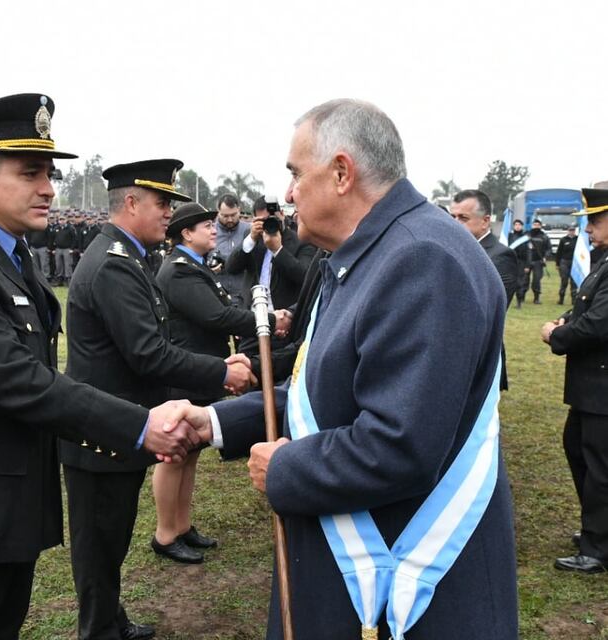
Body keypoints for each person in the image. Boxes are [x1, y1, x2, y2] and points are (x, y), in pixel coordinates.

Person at [186, 99, 518, 639]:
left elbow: (399, 445)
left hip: (408, 591)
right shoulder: (367, 253)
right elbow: (322, 394)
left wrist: (286, 470)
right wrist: (215, 422)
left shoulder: (420, 259)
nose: (289, 193)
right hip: (359, 573)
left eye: (295, 174)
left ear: (341, 173)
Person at [0, 94, 203, 640]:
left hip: (6, 503)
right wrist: (138, 425)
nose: (48, 188)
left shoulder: (9, 254)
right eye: (30, 172)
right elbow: (16, 380)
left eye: (50, 174)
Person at [62, 158, 255, 640]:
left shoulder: (128, 257)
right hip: (102, 432)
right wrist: (220, 371)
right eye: (162, 202)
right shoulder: (113, 265)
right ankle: (100, 629)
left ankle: (110, 621)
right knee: (99, 546)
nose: (170, 212)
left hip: (116, 426)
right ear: (131, 203)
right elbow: (148, 353)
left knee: (110, 542)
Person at [152, 202, 286, 564]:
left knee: (190, 451)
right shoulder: (179, 271)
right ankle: (165, 533)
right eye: (205, 226)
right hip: (185, 370)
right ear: (185, 234)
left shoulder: (194, 266)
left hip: (201, 367)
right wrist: (268, 321)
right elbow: (216, 316)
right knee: (173, 454)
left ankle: (182, 525)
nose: (214, 230)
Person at [540, 187, 608, 574]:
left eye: (596, 221)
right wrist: (565, 319)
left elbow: (598, 324)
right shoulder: (603, 261)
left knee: (599, 467)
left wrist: (557, 334)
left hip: (602, 389)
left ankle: (598, 548)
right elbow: (584, 305)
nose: (589, 229)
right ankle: (598, 532)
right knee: (579, 450)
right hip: (592, 389)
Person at [450, 189, 518, 389]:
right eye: (452, 216)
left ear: (485, 221)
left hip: (478, 354)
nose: (455, 223)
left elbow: (488, 309)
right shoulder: (452, 248)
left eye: (463, 218)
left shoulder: (500, 256)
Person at [225, 195, 315, 310]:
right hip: (251, 311)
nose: (270, 223)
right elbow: (231, 268)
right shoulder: (252, 236)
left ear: (282, 214)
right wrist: (251, 240)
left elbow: (305, 277)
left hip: (283, 314)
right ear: (255, 220)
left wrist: (278, 250)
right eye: (263, 221)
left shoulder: (300, 240)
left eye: (273, 219)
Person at [212, 193, 250, 306]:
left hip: (244, 296)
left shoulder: (250, 231)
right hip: (217, 296)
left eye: (233, 215)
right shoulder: (209, 231)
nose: (229, 219)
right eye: (225, 216)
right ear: (218, 211)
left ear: (239, 209)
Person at [508, 218, 532, 308]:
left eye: (519, 225)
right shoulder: (509, 236)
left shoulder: (525, 237)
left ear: (522, 226)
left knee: (519, 283)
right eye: (516, 225)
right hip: (511, 262)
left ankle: (519, 302)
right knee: (509, 282)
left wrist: (527, 265)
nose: (517, 226)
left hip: (521, 262)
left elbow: (529, 252)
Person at [529, 218, 552, 303]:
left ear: (541, 226)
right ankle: (521, 297)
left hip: (538, 261)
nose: (536, 226)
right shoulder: (527, 236)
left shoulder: (544, 237)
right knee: (524, 280)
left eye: (538, 225)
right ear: (532, 225)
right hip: (527, 261)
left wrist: (545, 257)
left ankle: (536, 298)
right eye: (535, 225)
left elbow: (549, 248)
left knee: (536, 280)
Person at [555, 224, 579, 305]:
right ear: (568, 231)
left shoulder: (578, 239)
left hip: (574, 263)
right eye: (570, 230)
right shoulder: (563, 240)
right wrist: (557, 264)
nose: (572, 232)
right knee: (564, 280)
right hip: (564, 262)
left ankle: (574, 299)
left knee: (574, 282)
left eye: (573, 230)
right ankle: (561, 298)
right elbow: (559, 252)